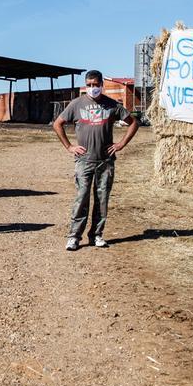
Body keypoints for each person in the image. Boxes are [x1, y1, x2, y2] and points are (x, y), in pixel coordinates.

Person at [52, 70, 140, 251]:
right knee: (81, 198)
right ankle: (74, 237)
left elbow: (133, 123)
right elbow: (57, 124)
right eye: (89, 85)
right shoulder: (76, 104)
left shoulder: (112, 105)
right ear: (86, 85)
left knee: (102, 199)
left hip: (105, 161)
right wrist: (70, 147)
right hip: (84, 160)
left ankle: (97, 235)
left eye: (96, 85)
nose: (93, 88)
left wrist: (121, 144)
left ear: (102, 85)